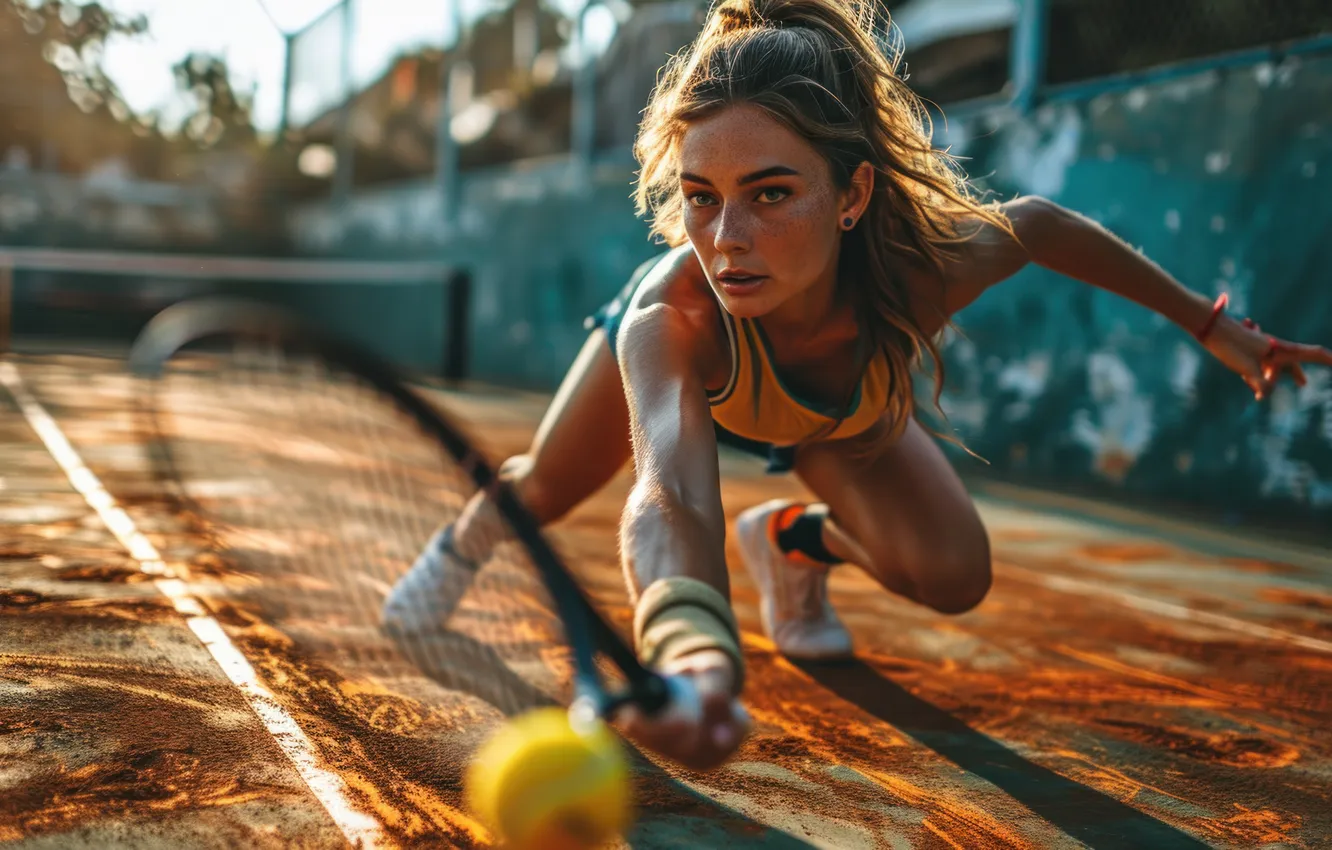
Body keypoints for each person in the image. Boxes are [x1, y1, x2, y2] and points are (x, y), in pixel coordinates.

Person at [383, 0, 1332, 771]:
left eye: (771, 192)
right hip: (721, 387)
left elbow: (1040, 225)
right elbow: (671, 495)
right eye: (701, 198)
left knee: (955, 577)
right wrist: (694, 657)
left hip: (834, 418)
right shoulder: (671, 318)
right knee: (543, 487)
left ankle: (795, 544)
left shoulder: (923, 267)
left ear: (853, 196)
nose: (727, 242)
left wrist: (1212, 327)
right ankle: (461, 542)